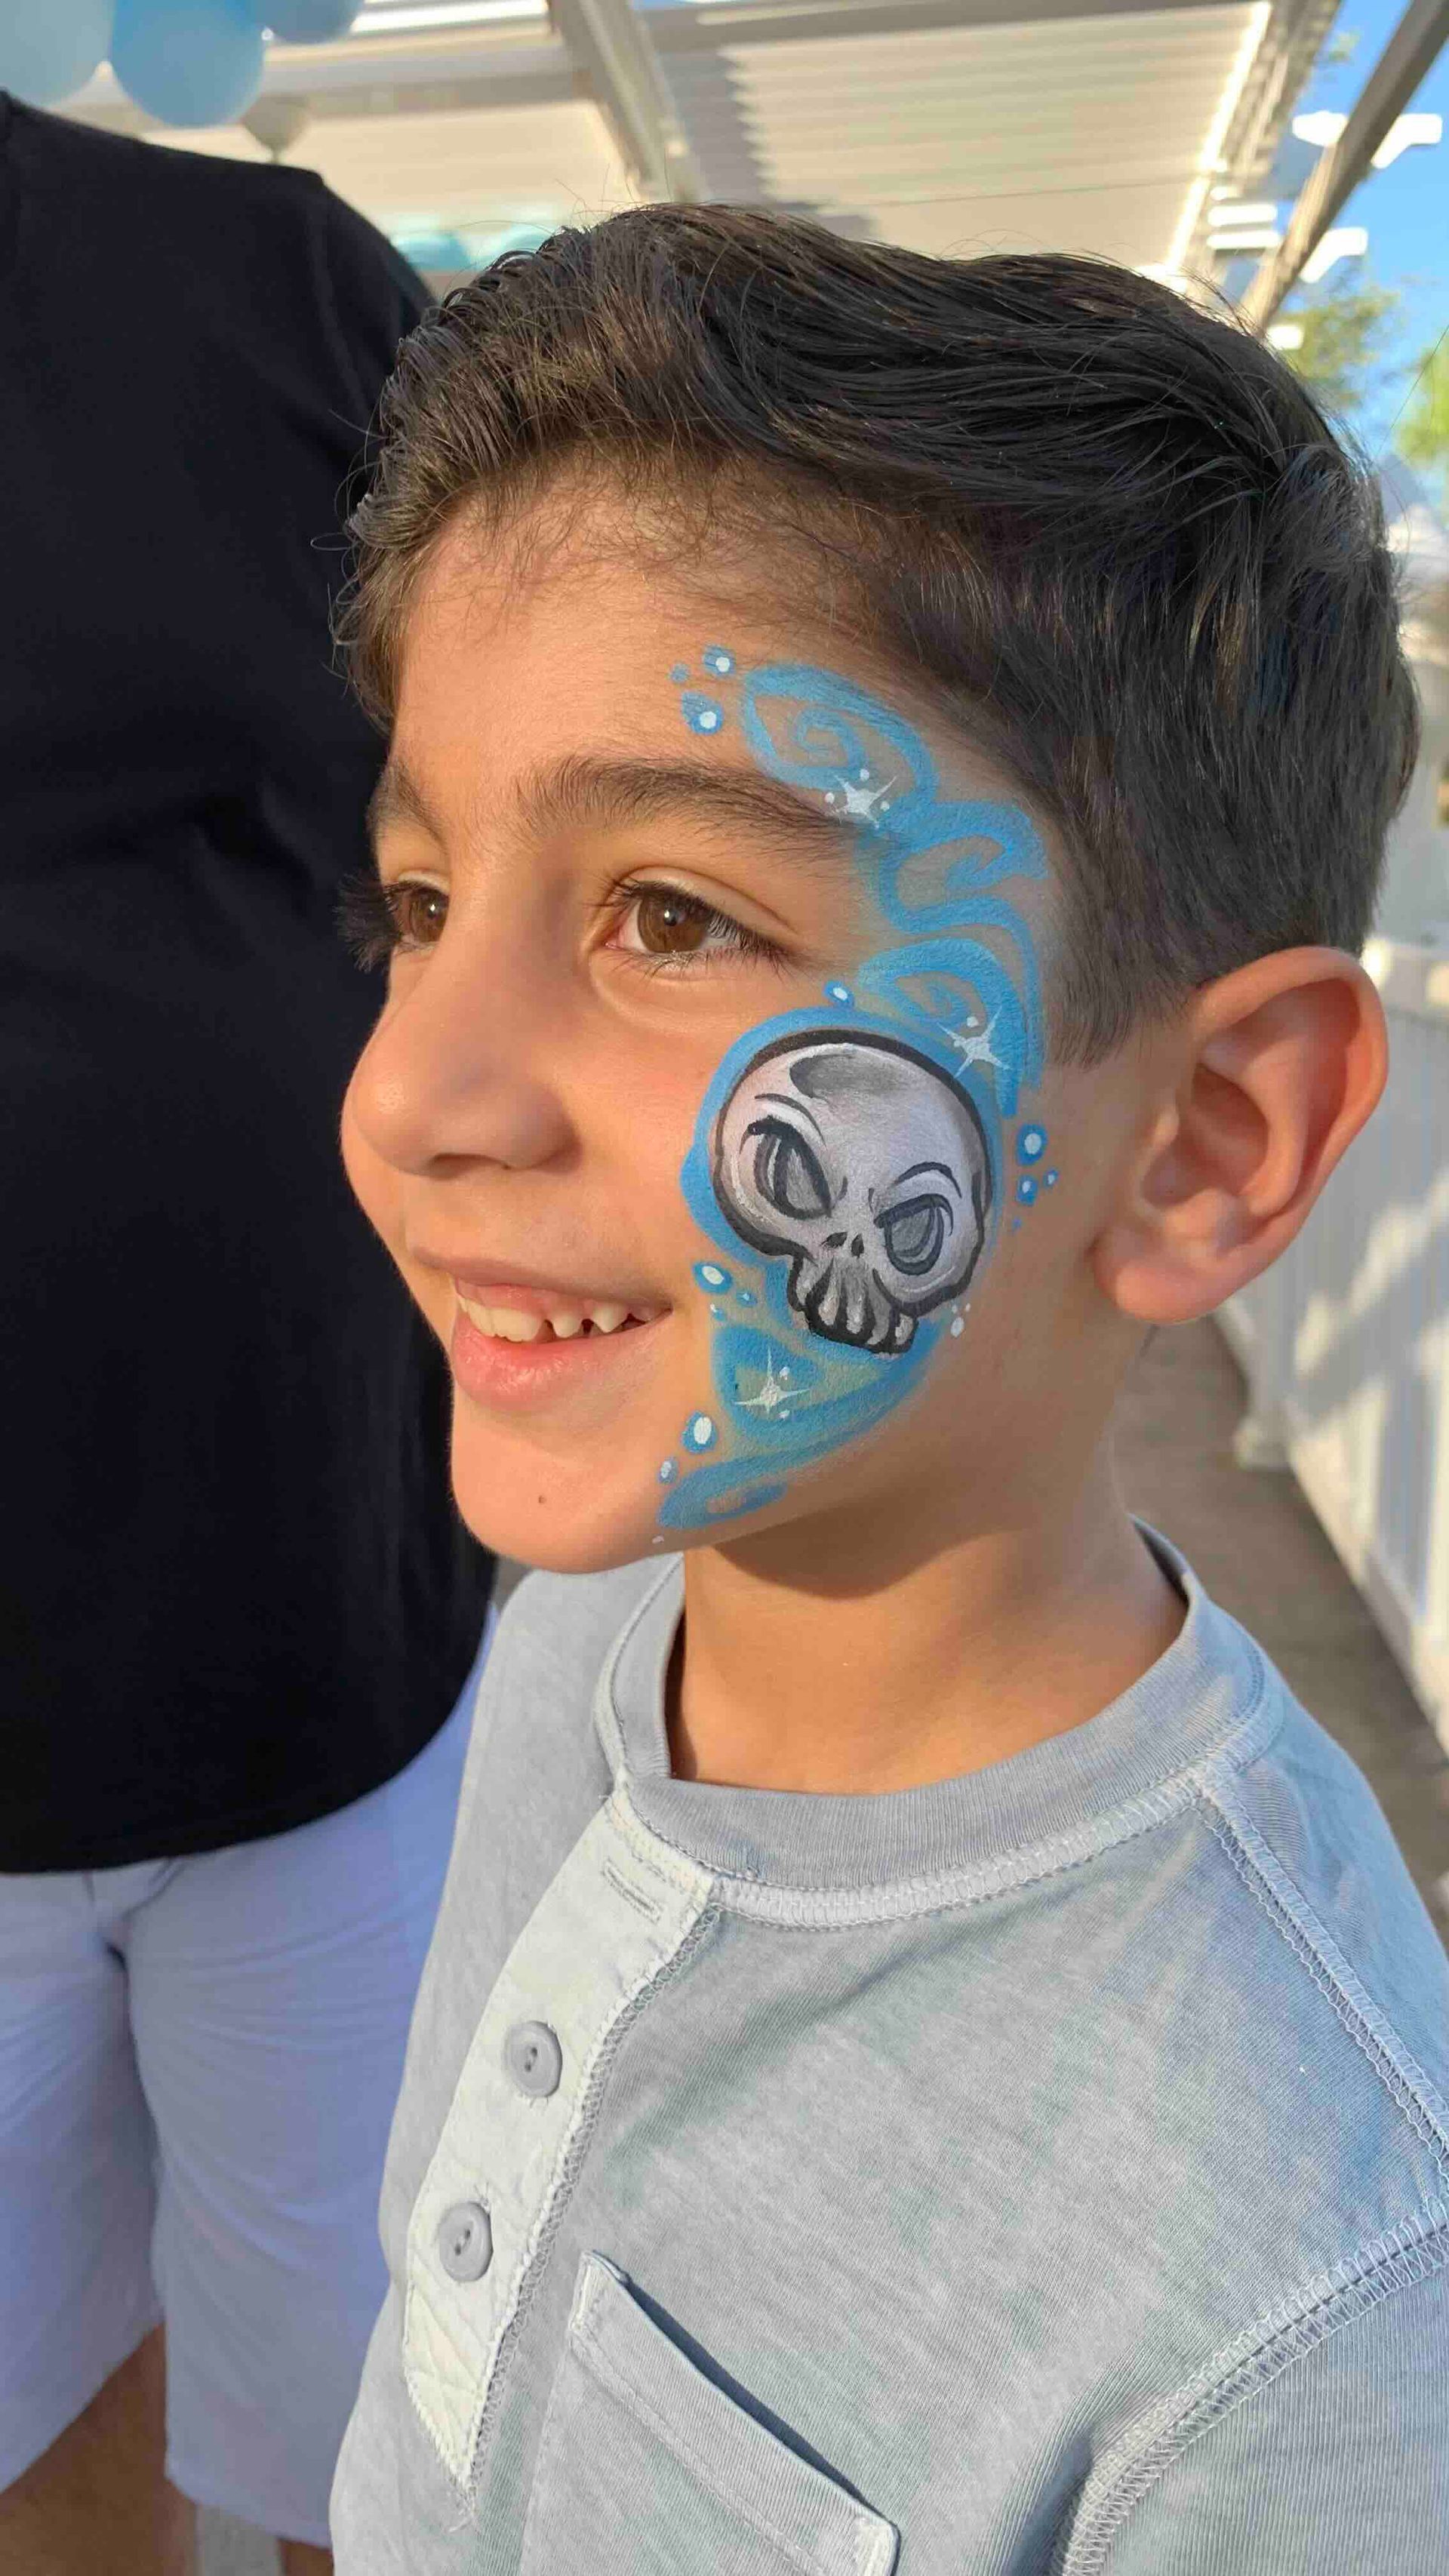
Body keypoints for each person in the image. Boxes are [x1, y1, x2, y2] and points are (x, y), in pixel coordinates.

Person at [328, 207, 1447, 2569]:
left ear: (1208, 1142)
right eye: (421, 905)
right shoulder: (586, 1643)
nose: (419, 1087)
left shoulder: (1309, 2309)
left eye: (676, 917)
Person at [0, 97, 494, 2574]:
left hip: (325, 1656)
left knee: (378, 2439)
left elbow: (544, 762)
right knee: (32, 2413)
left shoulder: (278, 288)